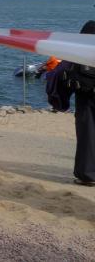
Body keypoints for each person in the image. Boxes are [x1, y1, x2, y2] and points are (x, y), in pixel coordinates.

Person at [47, 21, 95, 186]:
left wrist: (59, 100)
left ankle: (88, 175)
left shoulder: (84, 40)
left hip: (86, 93)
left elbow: (63, 70)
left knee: (87, 133)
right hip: (86, 92)